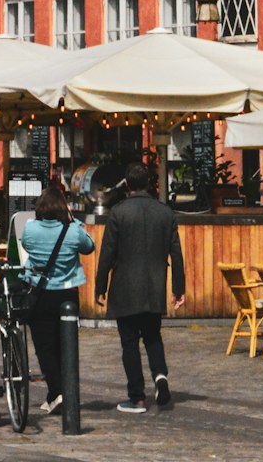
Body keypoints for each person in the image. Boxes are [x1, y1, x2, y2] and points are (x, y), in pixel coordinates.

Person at [95, 161, 186, 413]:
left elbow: (107, 254)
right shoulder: (165, 213)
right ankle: (160, 376)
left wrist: (100, 287)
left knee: (129, 343)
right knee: (153, 336)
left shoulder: (118, 212)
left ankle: (136, 397)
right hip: (154, 286)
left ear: (127, 183)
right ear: (148, 183)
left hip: (124, 287)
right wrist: (178, 288)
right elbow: (176, 254)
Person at [20, 184, 95, 414]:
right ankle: (62, 393)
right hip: (67, 293)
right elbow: (89, 246)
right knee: (66, 345)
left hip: (39, 293)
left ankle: (57, 392)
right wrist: (73, 220)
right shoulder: (72, 230)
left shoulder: (30, 229)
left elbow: (25, 244)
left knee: (45, 347)